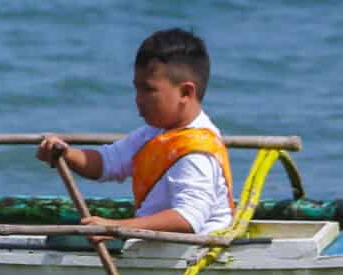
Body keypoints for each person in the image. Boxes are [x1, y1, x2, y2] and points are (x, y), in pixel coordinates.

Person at [35, 28, 235, 236]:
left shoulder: (196, 152)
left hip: (191, 256)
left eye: (148, 90)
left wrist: (116, 227)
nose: (138, 99)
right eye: (136, 88)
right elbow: (106, 162)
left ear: (186, 92)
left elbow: (187, 219)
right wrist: (66, 154)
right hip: (157, 247)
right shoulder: (152, 133)